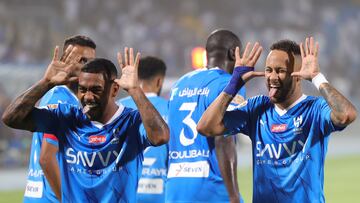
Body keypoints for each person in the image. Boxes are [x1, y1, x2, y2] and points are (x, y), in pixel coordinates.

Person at [197, 37, 357, 203]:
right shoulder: (257, 108)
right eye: (268, 70)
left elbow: (346, 115)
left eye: (280, 71)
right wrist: (233, 84)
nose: (272, 77)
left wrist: (317, 77)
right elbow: (205, 127)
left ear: (297, 75)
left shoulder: (314, 109)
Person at [2, 47, 169, 202]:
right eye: (83, 89)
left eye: (96, 90)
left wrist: (135, 90)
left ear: (114, 90)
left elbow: (161, 136)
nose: (88, 97)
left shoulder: (130, 121)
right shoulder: (66, 117)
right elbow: (11, 118)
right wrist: (46, 82)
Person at [166, 29, 245, 203]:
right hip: (210, 186)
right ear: (233, 53)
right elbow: (224, 139)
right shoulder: (229, 83)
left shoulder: (179, 85)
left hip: (175, 187)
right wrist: (233, 196)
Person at [24, 35, 96, 203]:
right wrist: (69, 199)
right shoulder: (60, 99)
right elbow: (47, 158)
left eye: (91, 62)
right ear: (66, 60)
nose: (88, 68)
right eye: (82, 61)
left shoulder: (66, 98)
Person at [117, 56, 168, 203]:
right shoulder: (170, 108)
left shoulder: (118, 108)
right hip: (160, 193)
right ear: (159, 81)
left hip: (125, 193)